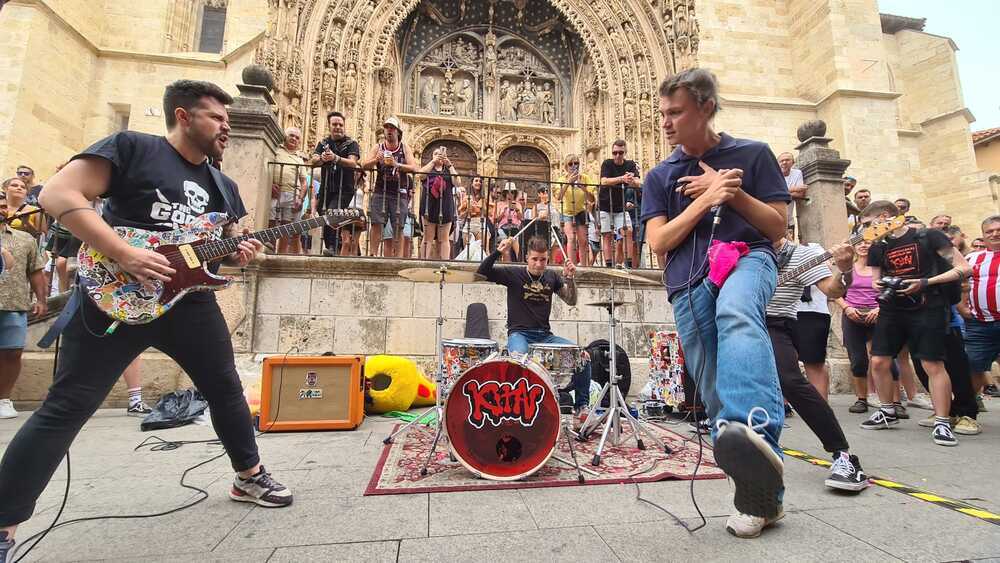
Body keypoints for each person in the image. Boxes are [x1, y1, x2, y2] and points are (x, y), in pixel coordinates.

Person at [0, 80, 294, 558]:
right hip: (115, 297)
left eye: (227, 119)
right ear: (183, 116)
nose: (226, 127)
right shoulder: (132, 148)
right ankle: (4, 526)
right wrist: (124, 252)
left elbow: (215, 257)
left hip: (189, 305)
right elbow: (58, 195)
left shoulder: (224, 186)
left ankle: (249, 476)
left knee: (225, 389)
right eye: (217, 118)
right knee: (66, 407)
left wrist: (238, 255)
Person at [641, 68, 790, 538]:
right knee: (709, 384)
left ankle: (757, 430)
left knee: (738, 315)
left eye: (676, 112)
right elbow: (659, 241)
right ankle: (758, 495)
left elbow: (778, 227)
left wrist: (734, 192)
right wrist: (707, 198)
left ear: (705, 107)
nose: (665, 122)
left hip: (747, 259)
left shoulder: (753, 153)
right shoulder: (660, 175)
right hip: (686, 280)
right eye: (662, 113)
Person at [860, 200, 972, 447]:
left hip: (927, 305)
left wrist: (925, 282)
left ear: (886, 216)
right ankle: (887, 410)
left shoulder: (927, 236)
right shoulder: (878, 247)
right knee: (878, 360)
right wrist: (879, 285)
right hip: (893, 308)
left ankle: (943, 421)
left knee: (932, 363)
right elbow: (875, 280)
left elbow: (963, 268)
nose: (866, 231)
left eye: (869, 224)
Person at [766, 237, 868, 491]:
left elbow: (832, 291)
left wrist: (844, 269)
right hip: (737, 319)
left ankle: (842, 455)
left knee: (790, 380)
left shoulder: (801, 255)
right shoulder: (742, 247)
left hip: (775, 323)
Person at [477, 236, 592, 420]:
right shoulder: (513, 274)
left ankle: (581, 407)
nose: (539, 264)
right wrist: (498, 251)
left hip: (545, 336)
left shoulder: (552, 276)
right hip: (519, 334)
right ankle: (515, 410)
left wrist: (570, 278)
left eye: (543, 260)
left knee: (583, 357)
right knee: (519, 363)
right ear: (527, 258)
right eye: (535, 259)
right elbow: (482, 272)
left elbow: (571, 300)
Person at [0, 191, 48, 419]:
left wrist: (41, 299)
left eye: (2, 206)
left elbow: (36, 272)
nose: (1, 209)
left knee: (12, 353)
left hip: (14, 305)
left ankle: (4, 400)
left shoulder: (25, 239)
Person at [361, 117, 418, 257]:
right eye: (387, 128)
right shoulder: (378, 147)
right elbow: (364, 165)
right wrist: (376, 160)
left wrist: (396, 164)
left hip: (399, 192)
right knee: (376, 223)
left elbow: (414, 167)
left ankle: (397, 257)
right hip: (381, 190)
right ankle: (372, 254)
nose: (389, 131)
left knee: (398, 225)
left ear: (398, 132)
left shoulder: (404, 148)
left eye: (392, 128)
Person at [311, 111, 361, 256]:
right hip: (327, 187)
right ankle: (333, 245)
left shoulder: (351, 144)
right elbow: (313, 160)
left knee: (331, 212)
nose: (338, 127)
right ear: (329, 126)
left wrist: (336, 158)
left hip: (344, 188)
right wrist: (322, 158)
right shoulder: (323, 143)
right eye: (335, 124)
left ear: (344, 126)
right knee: (324, 213)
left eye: (340, 124)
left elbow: (353, 163)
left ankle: (332, 246)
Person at [964, 215, 1000, 411]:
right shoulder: (972, 258)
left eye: (998, 231)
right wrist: (962, 308)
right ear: (983, 235)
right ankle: (968, 411)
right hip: (980, 323)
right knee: (973, 366)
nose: (994, 234)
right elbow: (961, 284)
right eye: (989, 231)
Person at [599, 140, 640, 268]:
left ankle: (628, 265)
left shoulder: (630, 164)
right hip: (605, 204)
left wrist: (631, 180)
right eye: (615, 152)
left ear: (625, 153)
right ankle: (609, 266)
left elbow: (638, 182)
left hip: (621, 206)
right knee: (607, 235)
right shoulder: (607, 163)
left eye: (620, 153)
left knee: (627, 231)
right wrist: (622, 179)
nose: (617, 155)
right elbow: (603, 181)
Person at [417, 145, 459, 260]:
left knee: (444, 238)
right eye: (436, 154)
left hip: (445, 205)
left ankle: (444, 262)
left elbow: (457, 182)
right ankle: (424, 261)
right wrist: (432, 162)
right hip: (429, 205)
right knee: (428, 237)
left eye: (441, 154)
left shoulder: (448, 170)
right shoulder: (429, 168)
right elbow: (420, 175)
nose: (438, 156)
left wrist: (449, 165)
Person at [271, 127, 308, 254]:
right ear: (285, 137)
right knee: (271, 222)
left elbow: (304, 181)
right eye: (291, 135)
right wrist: (269, 184)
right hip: (274, 193)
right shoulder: (275, 151)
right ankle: (268, 251)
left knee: (286, 227)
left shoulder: (299, 159)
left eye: (297, 138)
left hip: (292, 194)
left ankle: (281, 255)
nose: (294, 139)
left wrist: (301, 198)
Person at [556, 154, 595, 266]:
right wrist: (568, 182)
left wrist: (584, 188)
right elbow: (558, 197)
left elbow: (592, 199)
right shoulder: (561, 179)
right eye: (570, 164)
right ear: (565, 167)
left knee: (583, 240)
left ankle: (584, 267)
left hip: (581, 211)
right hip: (567, 212)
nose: (574, 166)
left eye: (576, 163)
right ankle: (572, 266)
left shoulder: (585, 178)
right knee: (571, 238)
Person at [777, 152, 806, 238]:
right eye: (781, 161)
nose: (784, 162)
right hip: (775, 218)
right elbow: (773, 193)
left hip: (789, 221)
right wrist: (794, 189)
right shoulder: (774, 174)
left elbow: (800, 194)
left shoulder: (797, 173)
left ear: (793, 162)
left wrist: (782, 193)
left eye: (787, 160)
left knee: (790, 246)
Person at [494, 182, 523, 262]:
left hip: (515, 228)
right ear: (505, 193)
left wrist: (517, 210)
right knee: (508, 240)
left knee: (514, 238)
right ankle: (508, 263)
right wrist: (503, 211)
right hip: (503, 228)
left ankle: (519, 261)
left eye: (513, 192)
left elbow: (521, 219)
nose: (510, 194)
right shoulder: (500, 204)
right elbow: (496, 220)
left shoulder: (518, 204)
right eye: (509, 192)